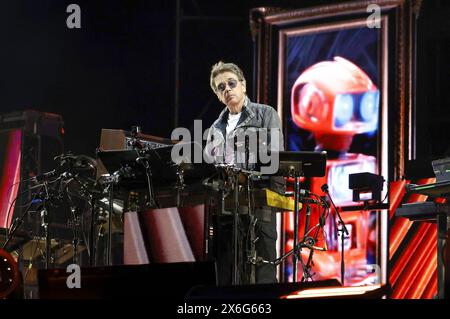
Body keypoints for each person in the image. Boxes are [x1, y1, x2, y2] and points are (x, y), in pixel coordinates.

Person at [205, 61, 285, 285]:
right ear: (219, 96)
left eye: (231, 83)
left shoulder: (265, 114)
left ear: (243, 85)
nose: (227, 89)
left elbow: (275, 158)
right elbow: (209, 168)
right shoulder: (214, 129)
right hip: (226, 209)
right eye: (221, 87)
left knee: (264, 271)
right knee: (229, 274)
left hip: (258, 204)